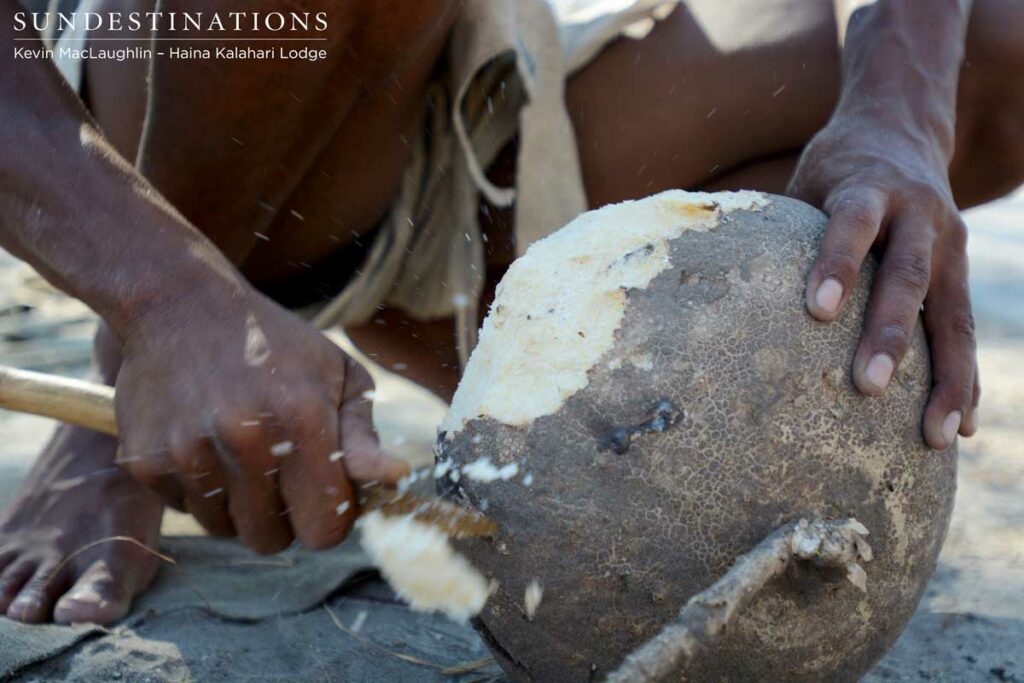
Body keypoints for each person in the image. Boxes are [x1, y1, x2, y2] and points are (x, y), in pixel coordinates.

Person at [0, 0, 1019, 626]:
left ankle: (526, 373)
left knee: (1005, 42)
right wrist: (160, 301)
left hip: (474, 97)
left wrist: (900, 116)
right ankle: (150, 365)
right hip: (196, 91)